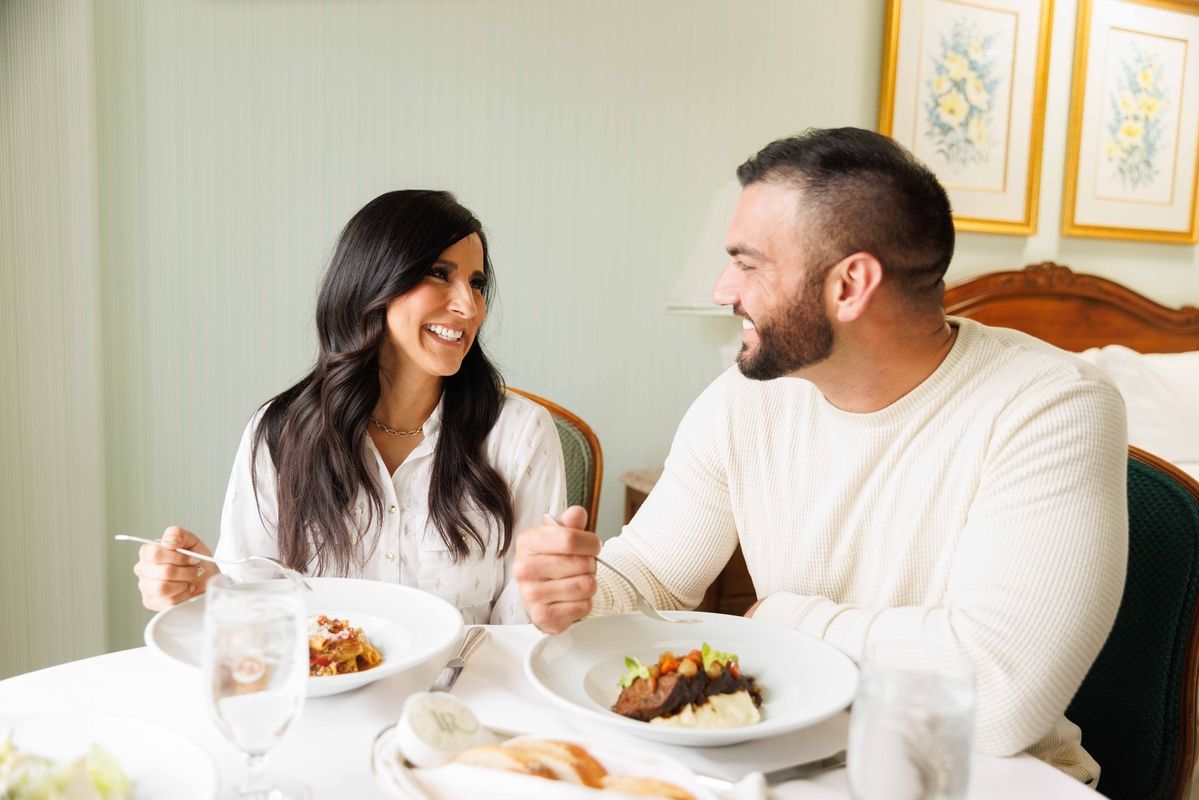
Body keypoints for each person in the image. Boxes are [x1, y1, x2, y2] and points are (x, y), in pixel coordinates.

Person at [513, 128, 1127, 783]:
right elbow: (651, 579)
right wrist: (578, 591)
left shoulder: (1053, 406)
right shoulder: (745, 399)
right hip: (795, 764)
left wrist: (785, 619)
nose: (723, 290)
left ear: (850, 285)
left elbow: (999, 698)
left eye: (748, 264)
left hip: (981, 782)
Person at [134, 190, 567, 624]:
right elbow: (252, 614)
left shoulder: (521, 434)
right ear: (375, 283)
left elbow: (524, 629)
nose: (468, 306)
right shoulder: (279, 432)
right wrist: (203, 587)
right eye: (439, 274)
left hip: (469, 671)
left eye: (476, 283)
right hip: (318, 670)